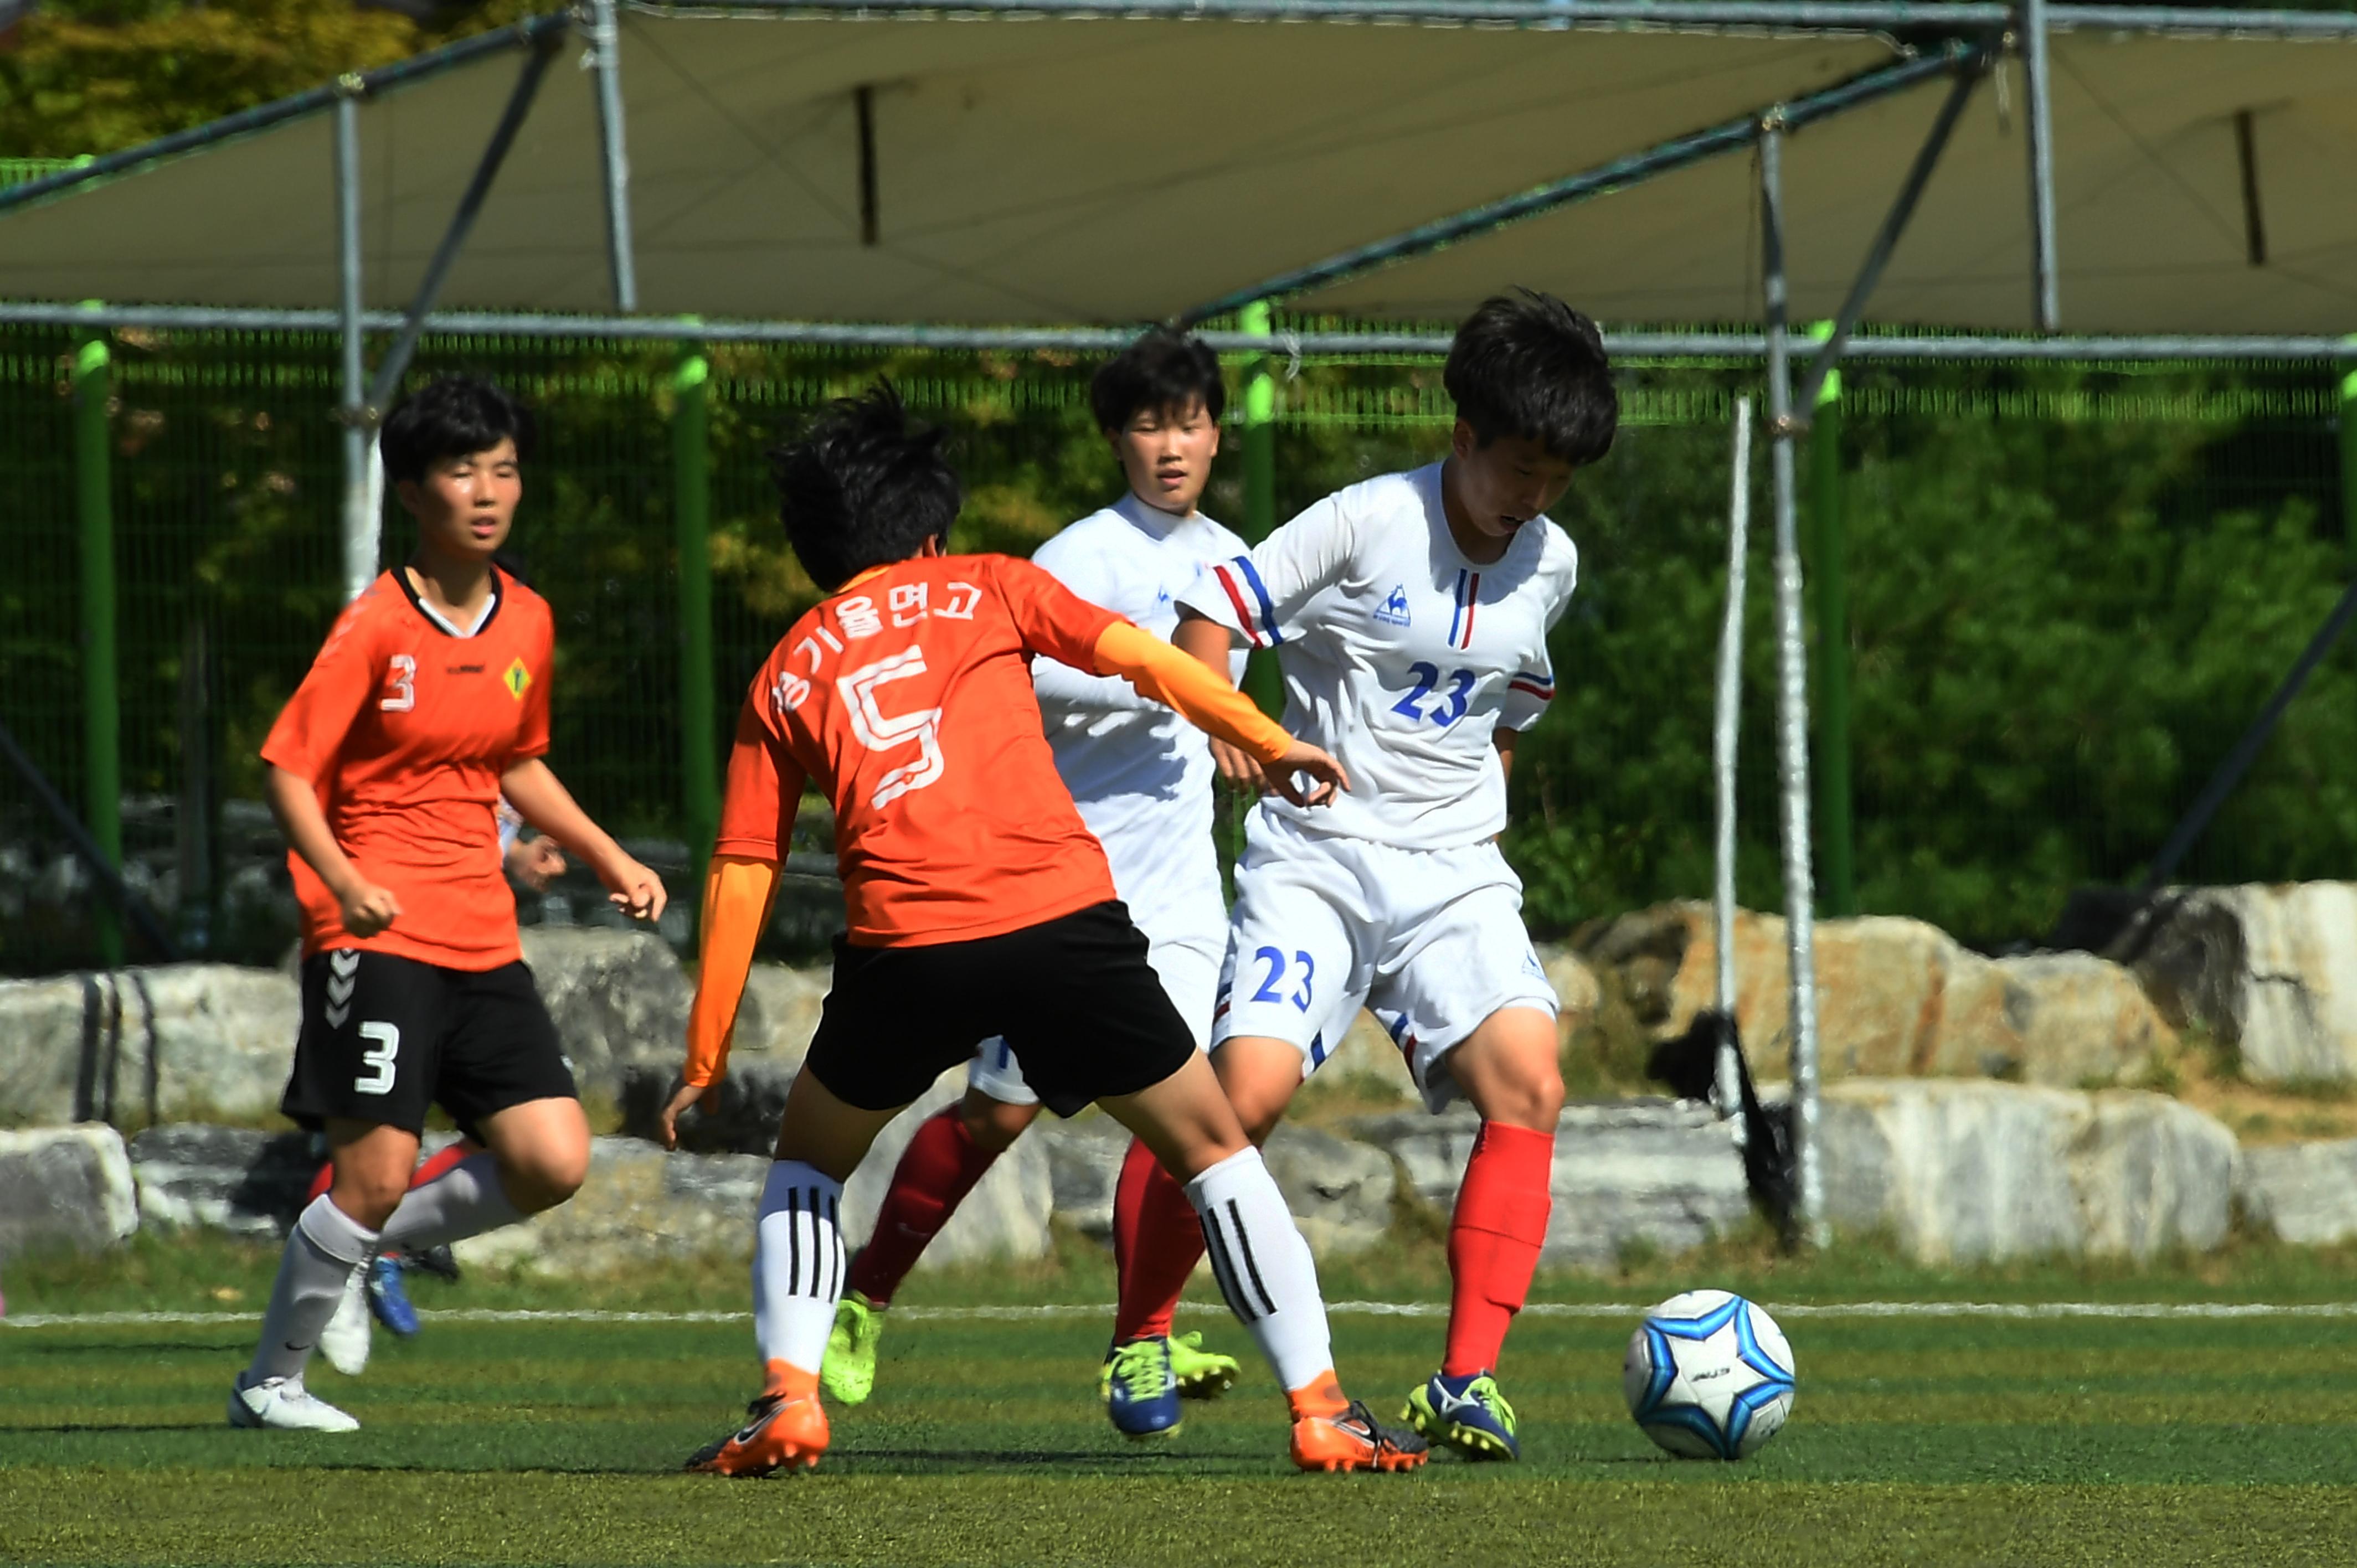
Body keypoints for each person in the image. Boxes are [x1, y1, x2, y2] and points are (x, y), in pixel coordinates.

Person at [655, 383, 1424, 1477]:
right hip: (1059, 924)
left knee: (810, 1167)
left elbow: (743, 869)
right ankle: (1320, 1407)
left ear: (815, 549)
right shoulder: (992, 585)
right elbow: (1151, 660)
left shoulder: (788, 665)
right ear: (933, 529)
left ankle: (788, 1397)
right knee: (1211, 1152)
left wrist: (704, 1054)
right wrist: (1266, 735)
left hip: (904, 951)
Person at [1121, 288, 1616, 1462]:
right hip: (1320, 860)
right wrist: (1227, 721)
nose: (1533, 497)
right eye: (1519, 467)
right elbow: (1211, 612)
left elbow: (1513, 702)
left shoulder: (1551, 563)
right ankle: (1139, 1330)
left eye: (1558, 477)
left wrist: (1469, 803)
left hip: (1452, 872)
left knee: (1530, 1085)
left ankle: (1465, 1383)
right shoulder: (1363, 521)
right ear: (1464, 436)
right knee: (1240, 1102)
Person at [817, 328, 1255, 1438]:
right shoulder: (1077, 557)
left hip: (1183, 890)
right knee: (992, 1120)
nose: (1172, 444)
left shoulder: (1237, 559)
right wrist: (1149, 684)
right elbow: (1009, 682)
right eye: (1148, 423)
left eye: (1190, 421)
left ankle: (1140, 1342)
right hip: (1066, 882)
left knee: (1197, 1119)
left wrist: (1243, 736)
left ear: (1217, 431)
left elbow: (1217, 702)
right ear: (1115, 436)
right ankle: (865, 1297)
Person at [228, 375, 666, 1433]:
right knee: (371, 1170)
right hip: (373, 932)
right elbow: (288, 769)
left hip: (480, 930)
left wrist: (601, 853)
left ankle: (356, 1243)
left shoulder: (530, 620)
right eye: (463, 470)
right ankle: (270, 1383)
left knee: (553, 1159)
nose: (488, 491)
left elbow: (515, 760)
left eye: (504, 469)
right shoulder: (376, 623)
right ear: (413, 492)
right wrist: (345, 882)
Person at [308, 809, 570, 1369]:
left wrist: (517, 852)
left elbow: (474, 808)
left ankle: (360, 1246)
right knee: (377, 1136)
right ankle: (274, 1374)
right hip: (394, 938)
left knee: (537, 1144)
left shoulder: (504, 736)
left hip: (477, 946)